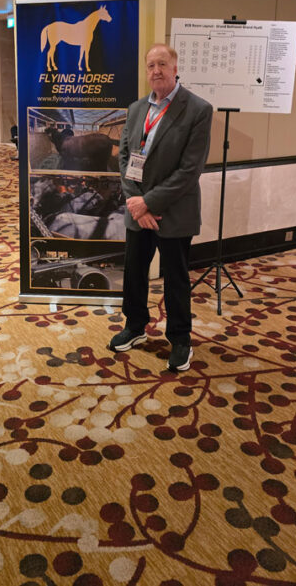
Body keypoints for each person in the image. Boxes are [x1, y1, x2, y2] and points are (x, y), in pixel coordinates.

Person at [109, 43, 213, 372]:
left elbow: (190, 170)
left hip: (174, 211)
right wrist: (137, 204)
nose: (156, 70)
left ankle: (180, 339)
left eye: (163, 64)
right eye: (151, 65)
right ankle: (135, 326)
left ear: (175, 68)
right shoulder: (136, 108)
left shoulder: (198, 109)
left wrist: (149, 202)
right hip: (138, 210)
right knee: (134, 273)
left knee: (176, 278)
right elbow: (125, 158)